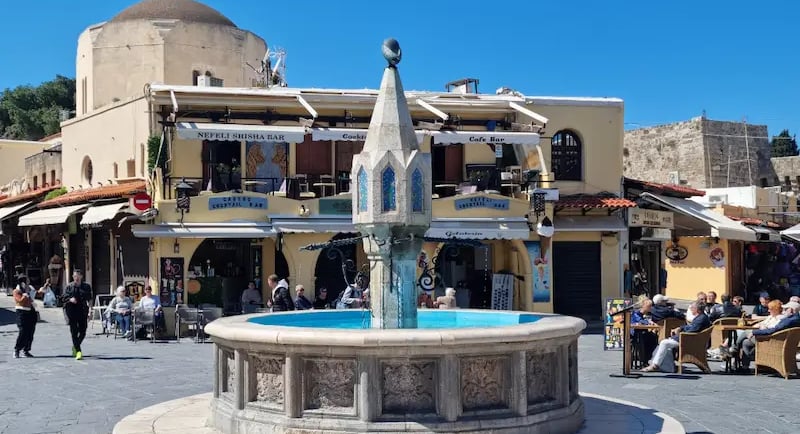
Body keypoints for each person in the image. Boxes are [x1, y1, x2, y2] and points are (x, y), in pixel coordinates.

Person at [641, 302, 711, 373]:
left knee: (664, 343)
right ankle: (667, 367)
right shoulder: (700, 317)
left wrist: (677, 335)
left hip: (688, 341)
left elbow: (691, 331)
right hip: (688, 339)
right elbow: (689, 327)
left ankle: (655, 365)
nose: (690, 309)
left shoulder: (701, 318)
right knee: (663, 343)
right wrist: (680, 328)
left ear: (698, 310)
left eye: (692, 308)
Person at [62, 269, 93, 360]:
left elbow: (90, 299)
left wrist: (90, 311)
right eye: (74, 276)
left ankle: (75, 345)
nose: (76, 278)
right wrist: (70, 299)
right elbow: (63, 298)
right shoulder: (69, 287)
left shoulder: (86, 287)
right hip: (71, 311)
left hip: (83, 310)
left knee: (83, 331)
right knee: (74, 331)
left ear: (81, 277)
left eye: (78, 276)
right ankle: (78, 351)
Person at [13, 276, 37, 358]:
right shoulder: (16, 291)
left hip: (31, 312)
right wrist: (25, 295)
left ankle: (26, 350)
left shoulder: (29, 289)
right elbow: (19, 301)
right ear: (22, 283)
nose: (28, 283)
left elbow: (34, 296)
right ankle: (17, 349)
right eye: (26, 282)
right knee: (23, 331)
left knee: (30, 332)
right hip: (21, 313)